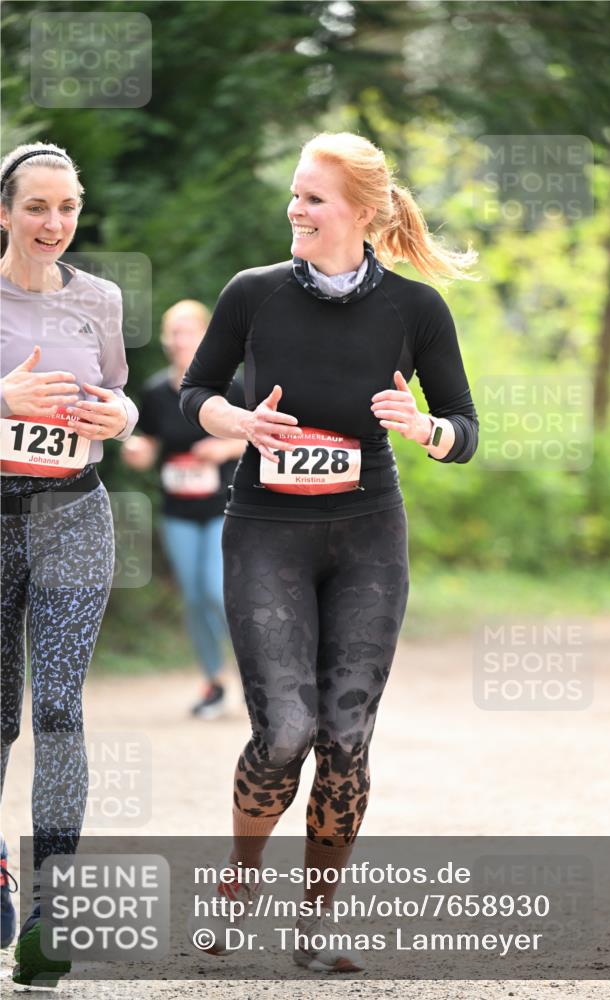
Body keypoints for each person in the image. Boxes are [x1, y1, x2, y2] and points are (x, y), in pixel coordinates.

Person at [180, 131, 478, 973]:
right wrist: (236, 421)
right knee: (284, 732)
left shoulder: (414, 310)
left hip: (367, 534)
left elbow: (465, 429)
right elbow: (197, 391)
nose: (294, 209)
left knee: (345, 737)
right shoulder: (253, 294)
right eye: (295, 193)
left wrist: (428, 429)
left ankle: (316, 925)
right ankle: (238, 885)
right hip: (267, 530)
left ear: (360, 212)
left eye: (312, 197)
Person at [0, 141, 138, 987]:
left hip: (74, 514)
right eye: (38, 207)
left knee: (56, 707)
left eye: (68, 208)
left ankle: (54, 907)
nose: (55, 224)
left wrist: (119, 416)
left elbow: (116, 395)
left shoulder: (101, 299)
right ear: (4, 212)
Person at [121, 300, 245, 718]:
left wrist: (223, 446)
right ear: (164, 339)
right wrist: (136, 450)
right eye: (173, 331)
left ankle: (257, 673)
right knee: (193, 598)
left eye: (189, 330)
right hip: (178, 510)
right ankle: (213, 683)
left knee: (215, 590)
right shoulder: (156, 391)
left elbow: (260, 436)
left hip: (225, 506)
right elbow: (150, 444)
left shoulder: (231, 387)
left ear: (206, 337)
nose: (180, 339)